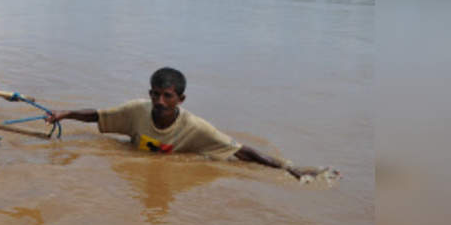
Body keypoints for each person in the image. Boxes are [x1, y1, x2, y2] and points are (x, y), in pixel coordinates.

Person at [47, 67, 334, 180]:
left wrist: (288, 168)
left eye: (167, 96)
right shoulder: (136, 110)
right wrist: (65, 114)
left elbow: (240, 151)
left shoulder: (196, 128)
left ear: (180, 99)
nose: (160, 101)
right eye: (155, 94)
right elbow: (98, 115)